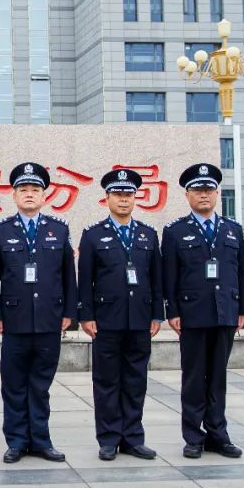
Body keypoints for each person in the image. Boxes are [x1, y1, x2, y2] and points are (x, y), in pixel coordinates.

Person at [0, 162, 76, 464]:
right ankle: (16, 441)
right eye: (23, 189)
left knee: (40, 385)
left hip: (50, 319)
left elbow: (68, 275)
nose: (29, 194)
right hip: (14, 320)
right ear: (13, 195)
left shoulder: (59, 229)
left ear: (44, 196)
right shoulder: (0, 231)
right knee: (13, 385)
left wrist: (69, 313)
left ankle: (40, 440)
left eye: (35, 190)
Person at [162, 163, 244, 459]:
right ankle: (192, 437)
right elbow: (170, 276)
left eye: (209, 190)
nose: (204, 195)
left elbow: (241, 273)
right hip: (192, 314)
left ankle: (218, 435)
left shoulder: (233, 229)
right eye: (198, 190)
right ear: (187, 195)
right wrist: (172, 311)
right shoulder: (175, 231)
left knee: (217, 377)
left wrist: (243, 309)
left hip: (225, 312)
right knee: (193, 377)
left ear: (217, 194)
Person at [77, 169, 163, 462]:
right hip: (106, 320)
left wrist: (157, 314)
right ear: (107, 198)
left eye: (128, 195)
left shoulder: (148, 235)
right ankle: (109, 438)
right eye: (118, 195)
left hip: (140, 320)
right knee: (106, 382)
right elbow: (85, 280)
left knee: (136, 380)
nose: (123, 200)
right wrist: (86, 315)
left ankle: (133, 438)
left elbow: (156, 279)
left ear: (135, 198)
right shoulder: (93, 235)